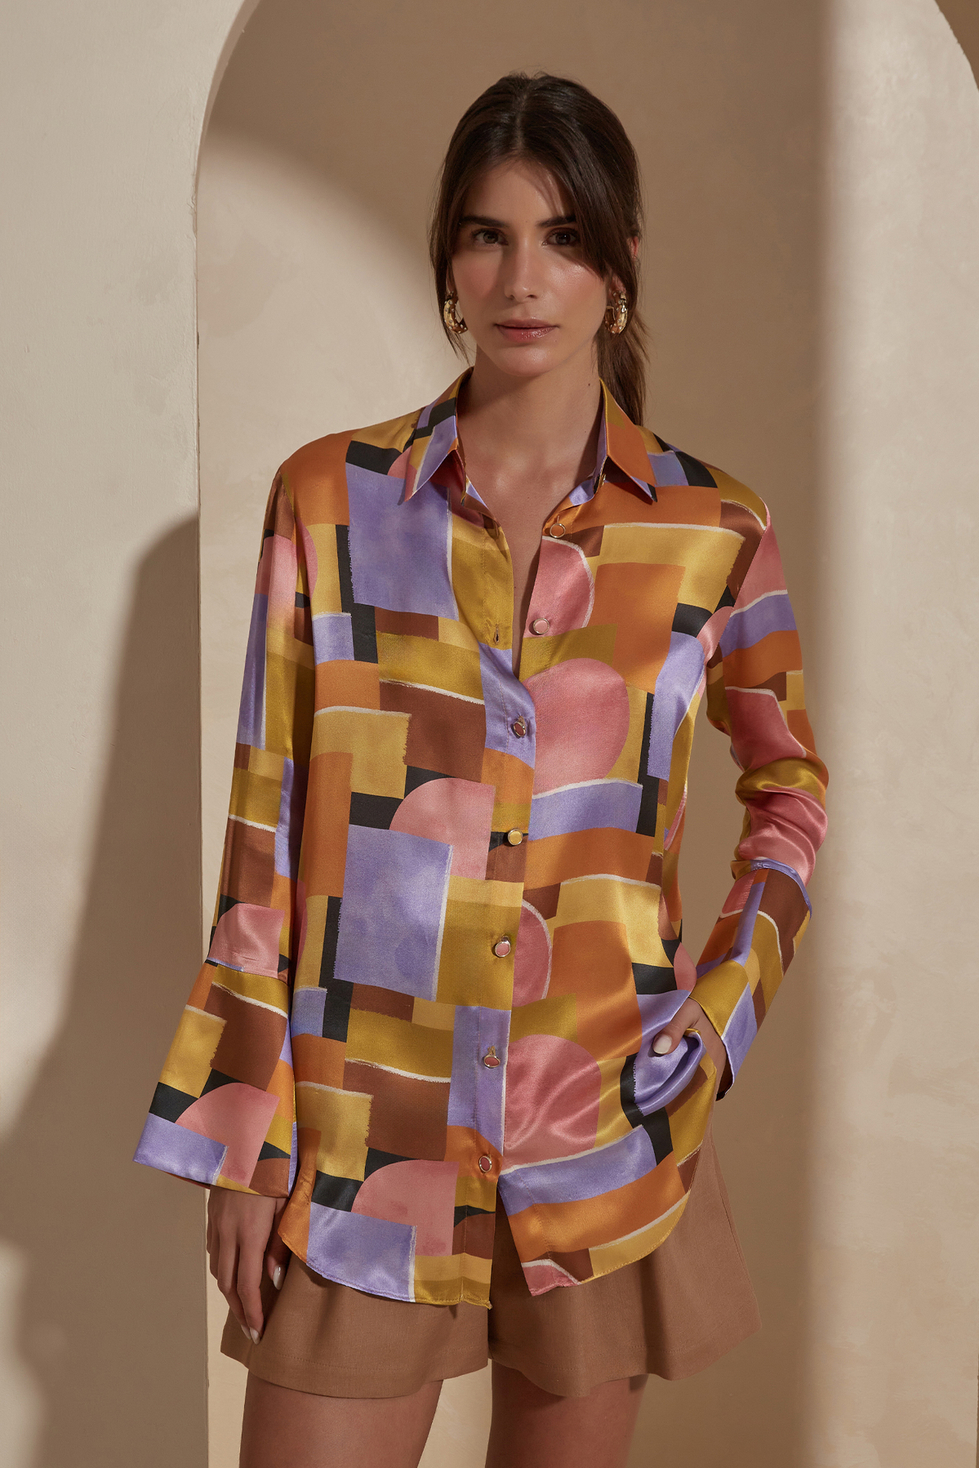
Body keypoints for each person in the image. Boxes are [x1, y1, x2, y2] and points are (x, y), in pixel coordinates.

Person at [135, 70, 828, 1468]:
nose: (524, 278)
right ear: (449, 261)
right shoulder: (330, 503)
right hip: (360, 1138)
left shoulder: (713, 533)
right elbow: (267, 826)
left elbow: (790, 792)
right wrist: (245, 1130)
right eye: (487, 235)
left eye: (564, 238)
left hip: (601, 1134)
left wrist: (721, 1014)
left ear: (619, 267)